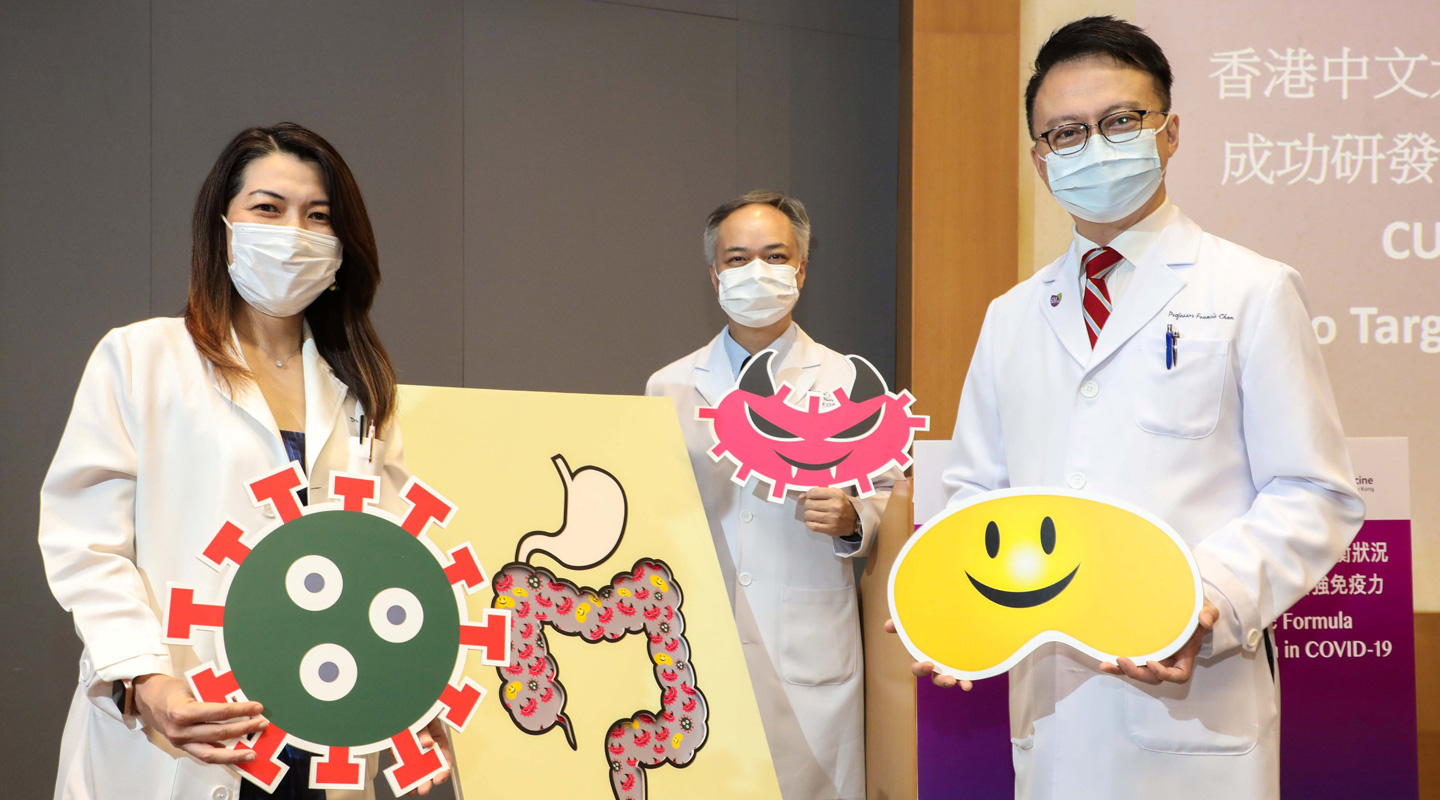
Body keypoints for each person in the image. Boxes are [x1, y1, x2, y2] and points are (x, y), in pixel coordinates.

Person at [893, 16, 1365, 800]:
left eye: (1119, 122)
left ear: (1169, 132)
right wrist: (956, 596)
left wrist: (1202, 599)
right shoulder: (1012, 315)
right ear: (1042, 163)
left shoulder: (1250, 289)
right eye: (1066, 133)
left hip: (1193, 707)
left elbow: (1316, 493)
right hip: (1053, 711)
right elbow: (978, 489)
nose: (1094, 145)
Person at [38, 123, 449, 799]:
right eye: (267, 208)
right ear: (222, 225)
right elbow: (86, 545)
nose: (294, 232)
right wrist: (148, 681)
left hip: (321, 734)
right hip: (185, 726)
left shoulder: (364, 393)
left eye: (317, 216)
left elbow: (389, 557)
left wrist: (409, 681)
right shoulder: (143, 360)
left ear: (342, 246)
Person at [646, 191, 895, 799]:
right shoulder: (671, 386)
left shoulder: (847, 382)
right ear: (714, 274)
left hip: (806, 642)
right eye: (737, 258)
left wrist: (852, 516)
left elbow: (888, 497)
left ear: (801, 268)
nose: (756, 271)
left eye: (774, 255)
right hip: (699, 638)